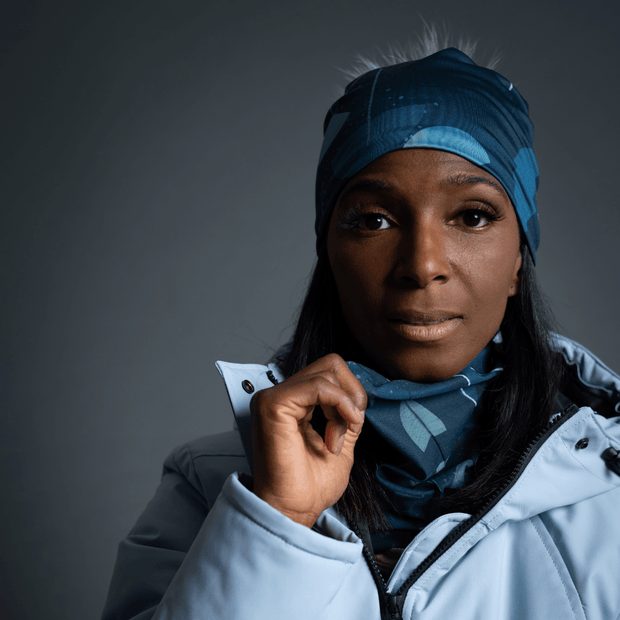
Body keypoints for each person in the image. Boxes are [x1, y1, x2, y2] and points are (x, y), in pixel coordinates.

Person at [101, 37, 620, 620]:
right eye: (373, 219)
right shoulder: (211, 487)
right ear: (330, 253)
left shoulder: (610, 492)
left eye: (472, 216)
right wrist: (276, 520)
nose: (423, 264)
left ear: (519, 261)